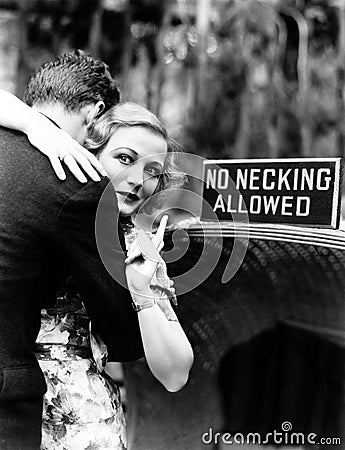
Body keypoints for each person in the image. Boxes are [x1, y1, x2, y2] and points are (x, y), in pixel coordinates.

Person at [0, 52, 193, 450]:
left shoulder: (142, 245)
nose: (138, 180)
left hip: (79, 420)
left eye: (154, 172)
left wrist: (144, 290)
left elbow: (175, 373)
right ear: (87, 149)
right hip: (17, 409)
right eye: (124, 159)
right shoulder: (60, 190)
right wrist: (37, 127)